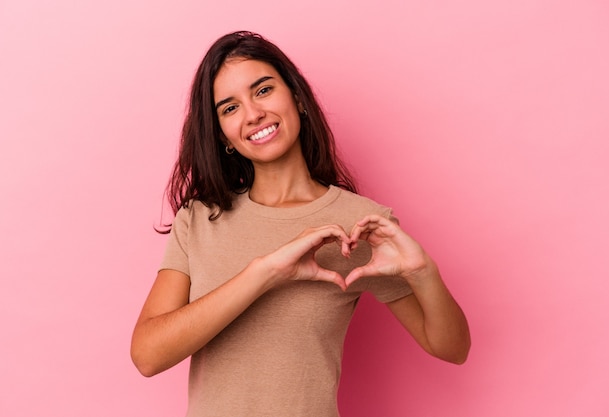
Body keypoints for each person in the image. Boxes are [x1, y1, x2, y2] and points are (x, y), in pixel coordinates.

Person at [131, 31, 470, 417]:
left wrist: (424, 272)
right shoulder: (199, 219)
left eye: (262, 90)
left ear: (296, 96)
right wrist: (265, 272)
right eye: (229, 108)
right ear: (223, 135)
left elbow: (452, 349)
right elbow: (147, 355)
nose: (253, 114)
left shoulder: (356, 224)